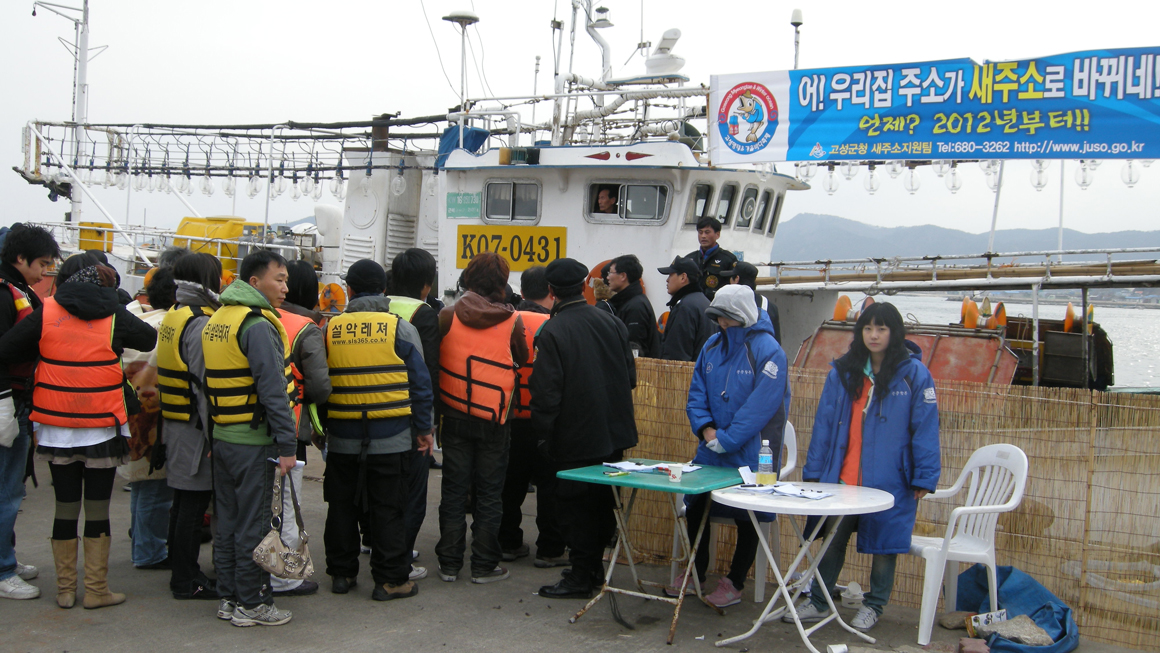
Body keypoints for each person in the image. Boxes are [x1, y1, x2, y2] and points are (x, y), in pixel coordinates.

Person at [0, 255, 157, 609]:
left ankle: (66, 590)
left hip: (55, 424)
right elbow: (148, 338)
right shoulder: (114, 314)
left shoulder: (48, 310)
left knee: (65, 507)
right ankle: (97, 590)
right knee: (98, 508)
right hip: (101, 424)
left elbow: (8, 348)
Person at [792, 302, 940, 631]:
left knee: (887, 544)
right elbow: (824, 425)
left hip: (892, 479)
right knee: (831, 536)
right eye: (868, 328)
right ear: (860, 332)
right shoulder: (844, 371)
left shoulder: (915, 374)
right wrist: (814, 472)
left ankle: (874, 606)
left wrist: (924, 477)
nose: (874, 335)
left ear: (894, 332)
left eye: (882, 329)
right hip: (844, 475)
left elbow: (926, 429)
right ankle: (818, 600)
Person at [322, 259, 432, 602]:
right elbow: (420, 384)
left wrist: (321, 427)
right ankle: (391, 580)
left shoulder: (330, 329)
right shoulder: (399, 328)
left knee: (341, 505)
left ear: (350, 290)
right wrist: (423, 429)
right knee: (389, 508)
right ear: (384, 291)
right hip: (392, 437)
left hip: (342, 436)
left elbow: (318, 382)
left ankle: (341, 574)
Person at [202, 250, 298, 626]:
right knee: (255, 525)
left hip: (224, 438)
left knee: (225, 524)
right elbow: (273, 390)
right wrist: (287, 447)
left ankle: (228, 597)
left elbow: (205, 385)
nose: (285, 288)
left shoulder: (218, 320)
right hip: (254, 443)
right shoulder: (256, 325)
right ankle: (253, 603)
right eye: (279, 279)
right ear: (255, 282)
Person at [532, 258, 638, 599]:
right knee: (604, 502)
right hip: (614, 431)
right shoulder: (611, 321)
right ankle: (592, 570)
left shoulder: (553, 331)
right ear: (583, 287)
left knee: (574, 507)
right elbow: (631, 378)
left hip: (575, 435)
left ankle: (580, 576)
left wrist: (544, 434)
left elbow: (547, 393)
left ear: (551, 291)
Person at [682, 285, 788, 607]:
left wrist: (725, 439)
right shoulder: (711, 346)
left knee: (749, 515)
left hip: (755, 452)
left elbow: (760, 408)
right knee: (695, 503)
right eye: (718, 317)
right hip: (711, 448)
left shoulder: (770, 351)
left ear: (741, 315)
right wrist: (705, 430)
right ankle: (695, 572)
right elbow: (696, 392)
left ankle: (735, 581)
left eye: (726, 317)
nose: (721, 324)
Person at [435, 252, 526, 585]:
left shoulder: (446, 315)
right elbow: (522, 356)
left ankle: (448, 564)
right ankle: (484, 565)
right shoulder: (512, 319)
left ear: (467, 279)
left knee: (454, 491)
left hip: (454, 413)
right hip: (495, 419)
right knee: (490, 493)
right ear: (501, 284)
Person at [157, 253, 222, 601]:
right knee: (193, 506)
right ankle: (186, 578)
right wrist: (215, 435)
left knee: (182, 502)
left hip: (175, 420)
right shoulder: (199, 322)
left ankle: (180, 567)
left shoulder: (175, 314)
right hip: (196, 429)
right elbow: (203, 386)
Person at [0, 223, 59, 601]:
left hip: (19, 401)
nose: (44, 272)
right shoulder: (5, 295)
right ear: (19, 258)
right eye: (41, 263)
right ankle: (3, 569)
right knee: (6, 492)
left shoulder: (18, 290)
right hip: (8, 400)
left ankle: (7, 555)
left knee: (12, 489)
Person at [269, 260, 331, 598]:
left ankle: (237, 567)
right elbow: (320, 386)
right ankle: (284, 575)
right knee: (285, 505)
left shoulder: (239, 317)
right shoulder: (304, 326)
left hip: (236, 426)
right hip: (289, 427)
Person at [499, 276, 567, 569]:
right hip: (548, 420)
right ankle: (550, 549)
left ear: (523, 291)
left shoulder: (506, 321)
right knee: (550, 488)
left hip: (510, 418)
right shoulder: (556, 326)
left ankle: (507, 542)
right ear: (551, 294)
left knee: (509, 486)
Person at [387, 248, 442, 582]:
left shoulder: (377, 304)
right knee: (411, 489)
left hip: (373, 408)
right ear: (426, 284)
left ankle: (377, 543)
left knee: (382, 485)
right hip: (408, 412)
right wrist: (429, 421)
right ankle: (401, 557)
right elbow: (428, 371)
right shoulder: (422, 314)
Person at [125, 267, 178, 572]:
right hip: (156, 416)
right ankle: (149, 551)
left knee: (141, 484)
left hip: (130, 414)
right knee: (156, 489)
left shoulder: (134, 318)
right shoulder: (166, 325)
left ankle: (142, 543)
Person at [657, 255, 714, 362]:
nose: (667, 280)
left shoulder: (685, 307)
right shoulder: (704, 302)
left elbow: (677, 355)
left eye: (670, 275)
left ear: (683, 277)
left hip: (686, 375)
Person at [606, 254, 661, 358]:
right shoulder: (629, 302)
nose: (607, 277)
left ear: (623, 276)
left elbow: (635, 349)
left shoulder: (636, 307)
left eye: (610, 273)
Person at [720, 261, 781, 345]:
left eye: (731, 278)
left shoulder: (729, 304)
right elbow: (777, 342)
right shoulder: (769, 306)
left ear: (737, 279)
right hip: (764, 353)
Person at [685, 217, 737, 300]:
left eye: (707, 232)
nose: (703, 236)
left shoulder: (728, 260)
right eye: (700, 232)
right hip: (693, 305)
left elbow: (734, 289)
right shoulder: (690, 259)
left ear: (717, 234)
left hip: (716, 306)